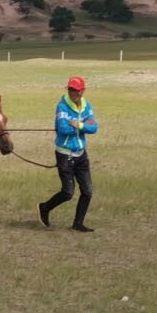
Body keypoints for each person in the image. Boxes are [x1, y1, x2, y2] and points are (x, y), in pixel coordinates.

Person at [39, 76, 99, 233]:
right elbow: (63, 129)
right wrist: (85, 126)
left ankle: (78, 223)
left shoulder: (87, 106)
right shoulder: (62, 107)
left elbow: (94, 128)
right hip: (65, 154)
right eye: (71, 89)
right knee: (68, 193)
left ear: (83, 91)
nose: (74, 93)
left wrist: (78, 124)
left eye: (77, 90)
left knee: (87, 191)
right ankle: (44, 207)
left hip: (81, 154)